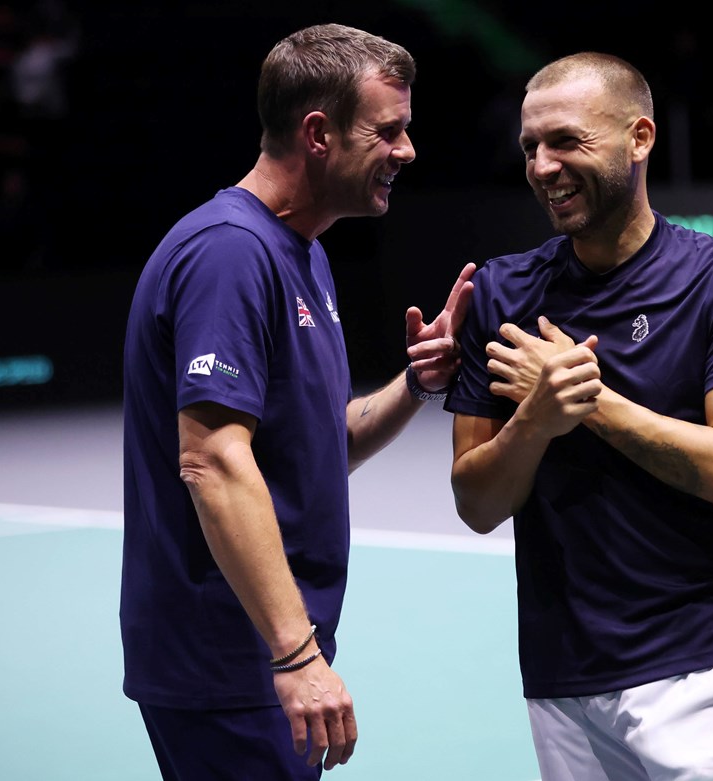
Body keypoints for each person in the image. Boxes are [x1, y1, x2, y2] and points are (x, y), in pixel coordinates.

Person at [120, 23, 474, 780]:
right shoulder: (229, 253)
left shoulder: (300, 252)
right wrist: (294, 653)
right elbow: (212, 460)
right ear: (318, 133)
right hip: (230, 664)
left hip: (252, 661)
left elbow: (319, 444)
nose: (408, 151)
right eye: (391, 130)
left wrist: (416, 384)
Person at [445, 52, 713, 780]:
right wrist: (537, 419)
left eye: (567, 142)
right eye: (529, 148)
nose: (544, 166)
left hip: (698, 669)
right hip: (559, 675)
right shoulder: (504, 291)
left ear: (639, 138)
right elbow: (477, 501)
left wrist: (590, 401)